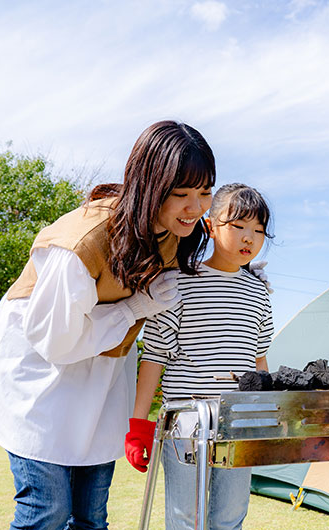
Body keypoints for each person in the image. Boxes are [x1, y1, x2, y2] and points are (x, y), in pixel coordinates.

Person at [0, 120, 217, 530]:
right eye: (181, 194)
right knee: (47, 511)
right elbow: (54, 341)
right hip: (40, 375)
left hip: (101, 378)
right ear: (149, 186)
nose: (196, 207)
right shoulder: (84, 243)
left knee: (91, 515)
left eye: (204, 192)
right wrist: (134, 308)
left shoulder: (173, 232)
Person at [125, 183, 274, 530]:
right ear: (209, 225)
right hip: (185, 425)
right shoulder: (177, 283)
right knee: (185, 519)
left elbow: (260, 361)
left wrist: (266, 418)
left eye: (258, 230)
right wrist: (139, 426)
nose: (248, 238)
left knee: (230, 518)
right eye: (237, 226)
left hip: (238, 424)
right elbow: (154, 358)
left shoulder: (259, 292)